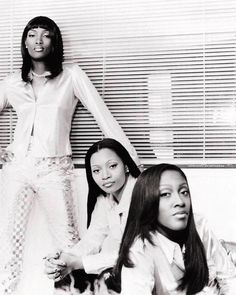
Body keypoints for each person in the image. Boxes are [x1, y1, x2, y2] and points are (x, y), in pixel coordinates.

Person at [0, 16, 139, 295]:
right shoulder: (12, 82)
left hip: (55, 170)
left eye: (46, 34)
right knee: (8, 243)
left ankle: (72, 293)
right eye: (31, 34)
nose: (38, 40)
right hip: (18, 168)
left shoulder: (71, 75)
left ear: (55, 41)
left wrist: (130, 159)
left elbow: (102, 115)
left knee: (70, 240)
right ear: (24, 42)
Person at [114, 163, 236, 295]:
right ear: (147, 201)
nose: (180, 201)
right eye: (166, 194)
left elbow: (229, 279)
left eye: (184, 192)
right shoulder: (139, 253)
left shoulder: (200, 226)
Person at [44, 138, 141, 293]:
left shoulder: (142, 193)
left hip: (147, 269)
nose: (105, 176)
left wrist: (78, 262)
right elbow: (93, 238)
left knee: (103, 276)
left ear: (126, 165)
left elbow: (135, 253)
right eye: (96, 170)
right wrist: (63, 259)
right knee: (66, 277)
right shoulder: (105, 199)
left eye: (112, 166)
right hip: (121, 267)